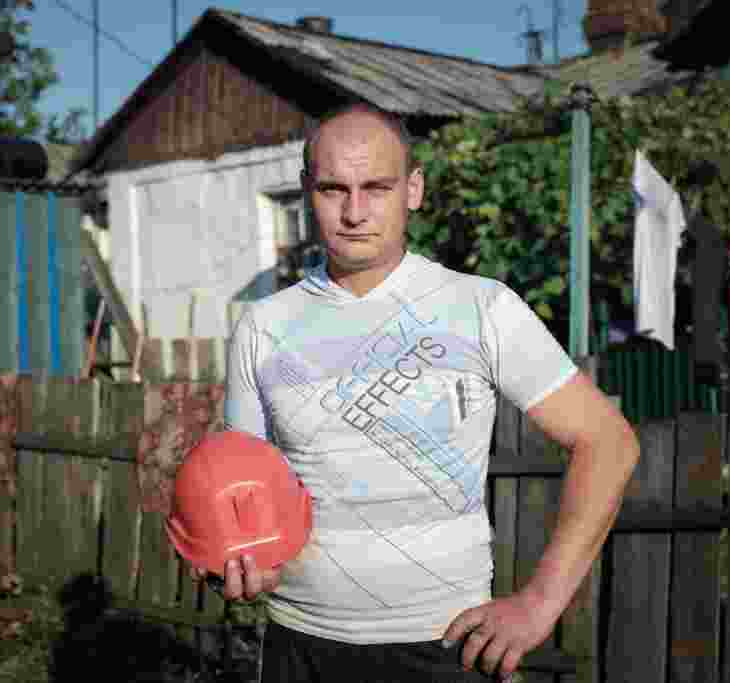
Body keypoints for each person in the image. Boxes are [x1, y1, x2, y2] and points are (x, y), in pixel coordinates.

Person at [191, 102, 640, 682]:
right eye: (333, 189)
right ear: (306, 192)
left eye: (376, 187)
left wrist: (541, 603)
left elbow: (608, 442)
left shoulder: (481, 308)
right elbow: (244, 494)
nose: (355, 212)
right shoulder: (262, 326)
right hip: (298, 647)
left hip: (445, 648)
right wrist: (241, 563)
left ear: (414, 189)